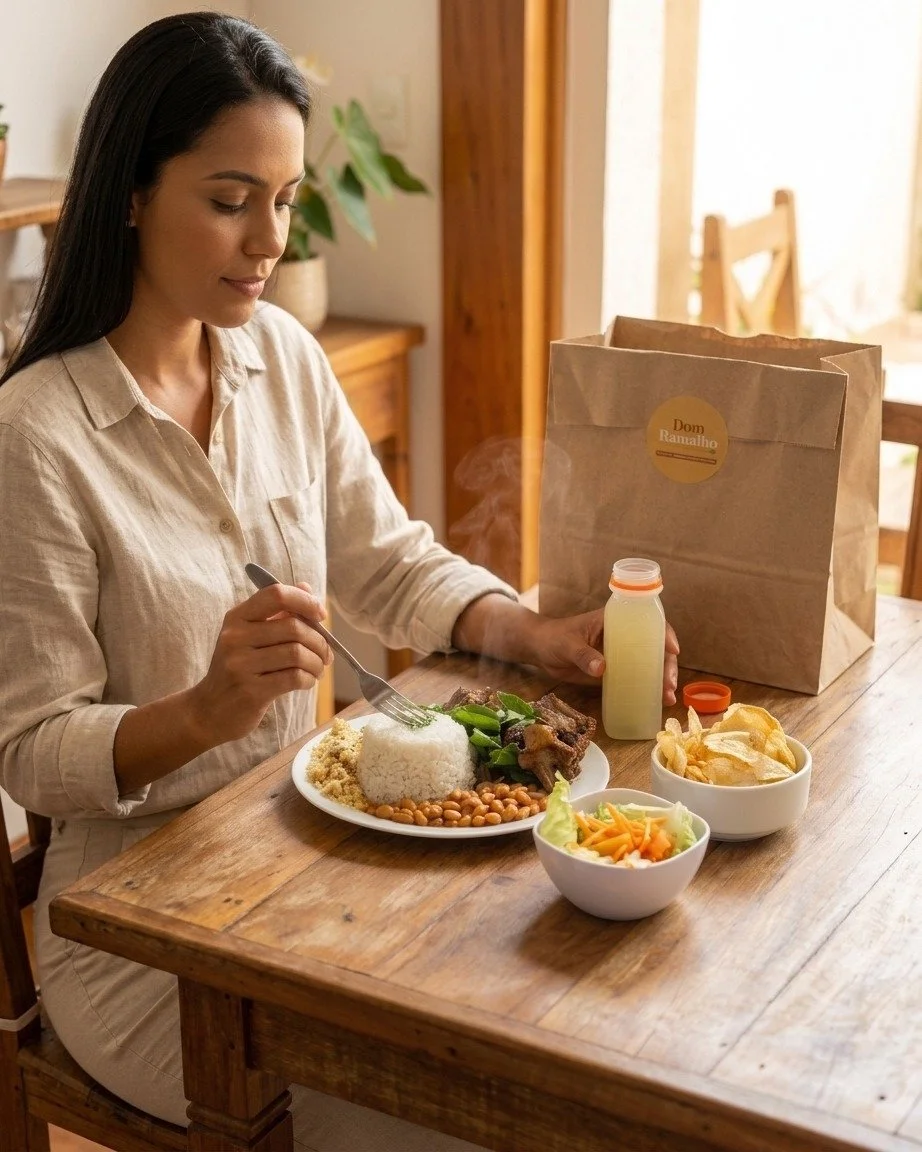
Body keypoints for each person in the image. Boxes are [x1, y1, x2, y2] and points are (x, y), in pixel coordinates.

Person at [0, 12, 679, 1149]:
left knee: (573, 1037)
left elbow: (389, 560)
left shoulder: (285, 359)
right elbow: (30, 753)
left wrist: (527, 633)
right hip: (133, 931)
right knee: (465, 1118)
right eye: (229, 199)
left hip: (305, 864)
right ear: (128, 191)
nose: (268, 239)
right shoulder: (34, 435)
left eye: (285, 198)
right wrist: (202, 710)